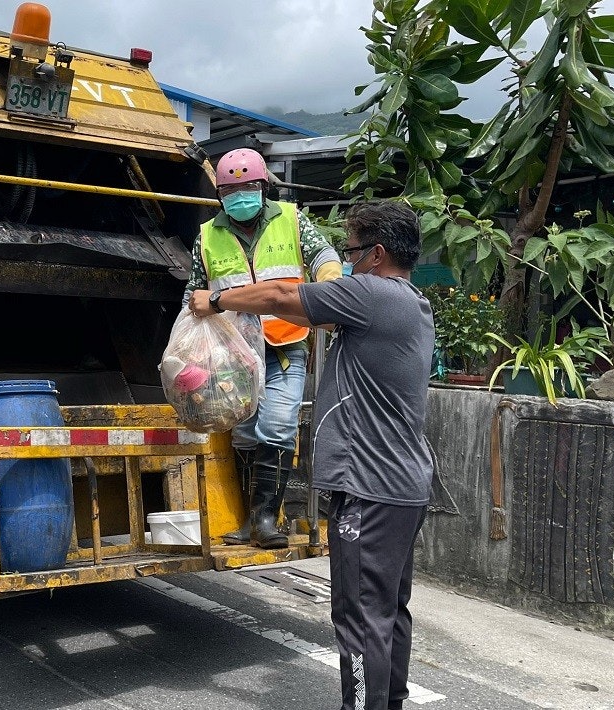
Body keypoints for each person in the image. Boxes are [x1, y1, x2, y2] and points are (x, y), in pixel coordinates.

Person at [189, 200, 434, 710]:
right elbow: (297, 307)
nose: (345, 261)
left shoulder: (374, 295)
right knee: (387, 612)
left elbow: (281, 294)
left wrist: (216, 298)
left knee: (360, 617)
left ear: (377, 254)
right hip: (399, 487)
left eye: (351, 252)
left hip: (370, 487)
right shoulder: (405, 303)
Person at [184, 147, 341, 548]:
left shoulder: (290, 220)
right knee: (246, 432)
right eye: (231, 190)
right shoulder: (208, 235)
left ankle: (269, 520)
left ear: (263, 187)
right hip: (235, 353)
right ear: (220, 195)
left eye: (248, 187)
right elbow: (195, 292)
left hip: (285, 343)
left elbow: (323, 255)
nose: (240, 196)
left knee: (278, 424)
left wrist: (329, 280)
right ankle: (250, 522)